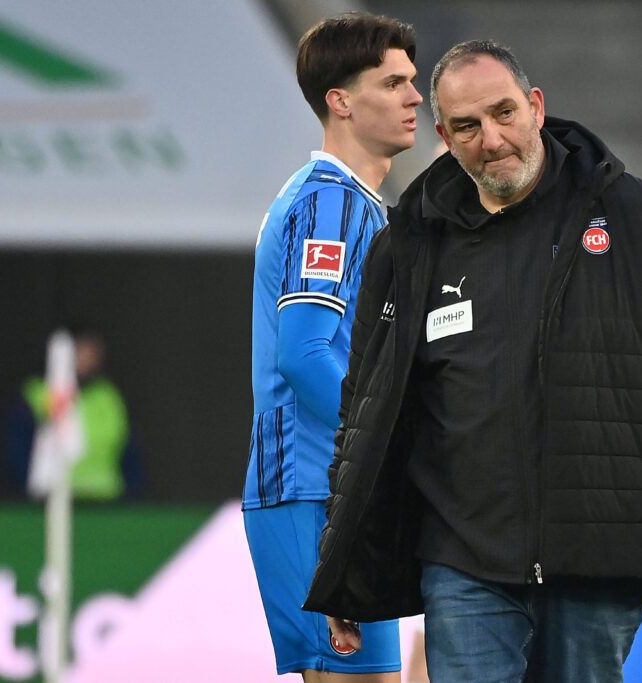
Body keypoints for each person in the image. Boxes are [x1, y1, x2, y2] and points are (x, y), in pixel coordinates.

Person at [304, 40, 642, 682]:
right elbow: (366, 410)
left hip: (599, 552)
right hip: (462, 557)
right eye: (467, 126)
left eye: (504, 113)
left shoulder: (633, 215)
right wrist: (342, 564)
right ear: (443, 136)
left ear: (536, 107)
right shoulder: (409, 243)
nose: (491, 138)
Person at [241, 13, 422, 681]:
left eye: (412, 81)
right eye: (394, 82)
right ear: (341, 102)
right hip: (314, 490)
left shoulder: (362, 207)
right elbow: (304, 354)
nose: (415, 97)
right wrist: (395, 441)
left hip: (339, 491)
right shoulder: (329, 205)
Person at [4, 327, 142, 500]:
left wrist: (133, 496)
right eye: (81, 350)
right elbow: (18, 448)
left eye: (93, 352)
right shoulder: (37, 393)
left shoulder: (108, 396)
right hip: (50, 501)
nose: (87, 358)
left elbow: (128, 449)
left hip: (106, 501)